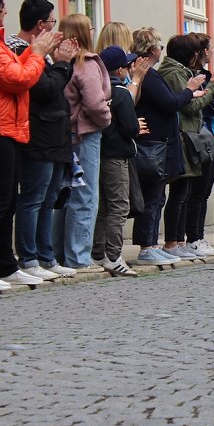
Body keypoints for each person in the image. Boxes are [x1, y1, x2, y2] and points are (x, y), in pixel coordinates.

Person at [0, 0, 62, 290]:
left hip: (10, 128)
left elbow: (18, 70)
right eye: (2, 8)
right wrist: (38, 53)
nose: (5, 13)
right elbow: (19, 79)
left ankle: (6, 264)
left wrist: (33, 54)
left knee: (9, 202)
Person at [8, 0, 79, 280]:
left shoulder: (44, 53)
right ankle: (28, 257)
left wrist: (62, 63)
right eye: (52, 22)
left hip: (55, 133)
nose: (54, 27)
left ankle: (46, 256)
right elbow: (45, 90)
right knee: (33, 199)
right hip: (38, 134)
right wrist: (62, 63)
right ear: (40, 24)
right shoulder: (23, 50)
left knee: (49, 199)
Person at [132, 30, 205, 265]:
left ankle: (152, 243)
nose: (161, 50)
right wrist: (189, 89)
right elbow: (170, 103)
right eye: (159, 46)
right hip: (154, 142)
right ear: (152, 49)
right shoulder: (149, 76)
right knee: (153, 197)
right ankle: (147, 246)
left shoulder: (150, 74)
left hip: (159, 140)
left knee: (157, 197)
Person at [159, 33, 214, 259]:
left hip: (191, 135)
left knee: (188, 193)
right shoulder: (174, 74)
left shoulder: (181, 73)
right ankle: (174, 241)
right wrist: (213, 89)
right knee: (181, 193)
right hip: (184, 135)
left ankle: (180, 240)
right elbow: (190, 105)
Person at [53, 13, 112, 273]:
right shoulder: (86, 63)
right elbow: (94, 103)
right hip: (86, 133)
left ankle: (59, 254)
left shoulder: (62, 63)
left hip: (67, 133)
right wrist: (107, 116)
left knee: (65, 196)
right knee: (86, 197)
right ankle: (78, 257)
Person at [92, 46, 144, 276]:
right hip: (118, 156)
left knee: (104, 206)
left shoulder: (99, 89)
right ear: (120, 70)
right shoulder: (121, 93)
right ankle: (114, 255)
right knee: (119, 206)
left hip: (100, 153)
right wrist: (137, 128)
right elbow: (131, 127)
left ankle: (98, 252)